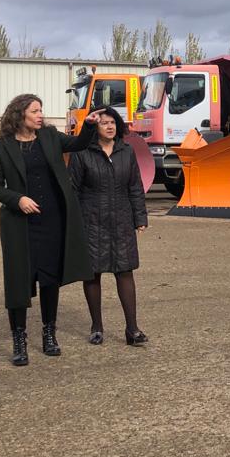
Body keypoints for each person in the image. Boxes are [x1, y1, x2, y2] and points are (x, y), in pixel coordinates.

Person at [0, 95, 103, 365]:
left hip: (53, 220)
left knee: (50, 279)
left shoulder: (50, 136)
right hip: (19, 224)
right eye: (35, 111)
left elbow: (78, 144)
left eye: (41, 110)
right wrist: (18, 200)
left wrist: (88, 125)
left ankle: (49, 333)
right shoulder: (1, 147)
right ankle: (19, 339)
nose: (40, 115)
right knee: (19, 281)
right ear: (19, 114)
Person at [69, 109, 149, 346]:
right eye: (104, 123)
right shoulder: (82, 152)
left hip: (122, 219)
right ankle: (97, 327)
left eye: (112, 122)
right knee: (92, 273)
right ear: (95, 127)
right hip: (91, 220)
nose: (109, 126)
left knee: (125, 271)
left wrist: (140, 217)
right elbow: (72, 189)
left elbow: (135, 186)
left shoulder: (127, 151)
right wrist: (74, 223)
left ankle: (132, 330)